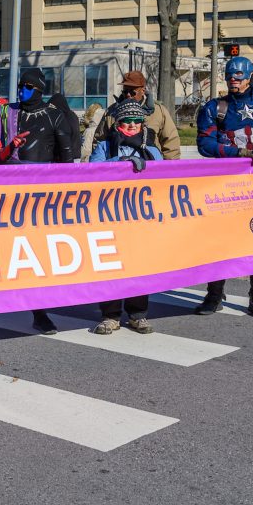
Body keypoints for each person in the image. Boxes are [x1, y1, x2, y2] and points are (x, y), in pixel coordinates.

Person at [194, 56, 253, 318]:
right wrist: (238, 152)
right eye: (230, 75)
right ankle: (214, 295)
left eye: (239, 75)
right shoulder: (216, 107)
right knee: (220, 241)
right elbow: (204, 144)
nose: (233, 80)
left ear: (249, 76)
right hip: (226, 184)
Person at [0, 68, 75, 334]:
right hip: (8, 193)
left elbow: (67, 160)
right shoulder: (6, 114)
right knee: (11, 251)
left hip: (43, 196)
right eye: (20, 86)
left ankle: (40, 311)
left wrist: (67, 195)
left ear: (39, 89)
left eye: (28, 87)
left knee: (39, 254)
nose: (21, 91)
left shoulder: (54, 115)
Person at [89, 100, 163, 334]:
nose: (132, 125)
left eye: (137, 121)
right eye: (127, 121)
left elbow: (163, 176)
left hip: (140, 216)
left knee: (139, 265)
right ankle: (110, 316)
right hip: (110, 214)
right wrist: (120, 163)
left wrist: (147, 164)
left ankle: (137, 314)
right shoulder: (105, 146)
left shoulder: (151, 149)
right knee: (111, 265)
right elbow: (92, 171)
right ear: (118, 123)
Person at [92, 71, 180, 160]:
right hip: (116, 165)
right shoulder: (111, 112)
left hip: (150, 164)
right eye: (125, 92)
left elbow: (171, 144)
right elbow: (99, 141)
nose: (128, 95)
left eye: (132, 92)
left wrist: (167, 167)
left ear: (143, 91)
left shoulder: (159, 112)